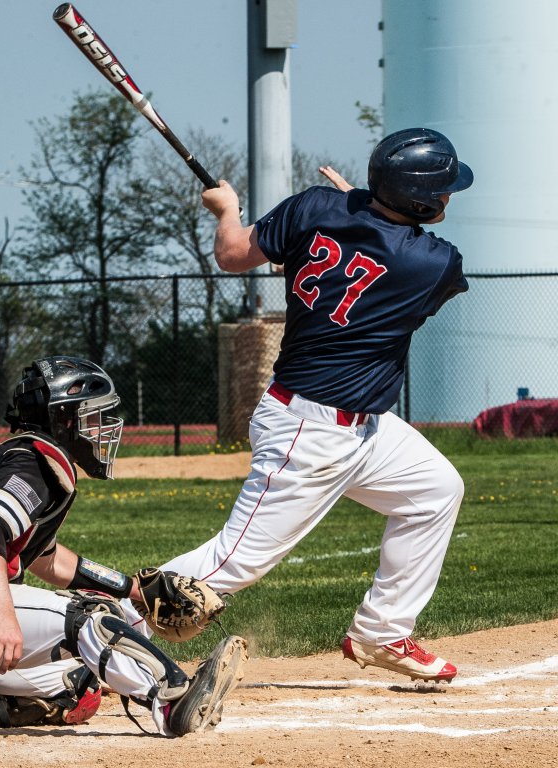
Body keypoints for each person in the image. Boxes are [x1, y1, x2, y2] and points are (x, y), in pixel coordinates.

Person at [124, 127, 473, 682]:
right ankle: (102, 627)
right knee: (232, 562)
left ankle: (382, 632)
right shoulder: (433, 264)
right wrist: (359, 210)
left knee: (434, 490)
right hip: (311, 434)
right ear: (420, 199)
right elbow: (371, 253)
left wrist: (228, 208)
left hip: (366, 428)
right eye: (444, 189)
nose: (450, 197)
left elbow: (233, 253)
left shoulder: (314, 207)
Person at [0, 355, 247, 736]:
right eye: (93, 416)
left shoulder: (29, 460)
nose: (103, 428)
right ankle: (173, 698)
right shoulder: (35, 459)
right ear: (65, 419)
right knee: (92, 615)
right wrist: (2, 612)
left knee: (76, 688)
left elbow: (49, 559)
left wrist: (133, 589)